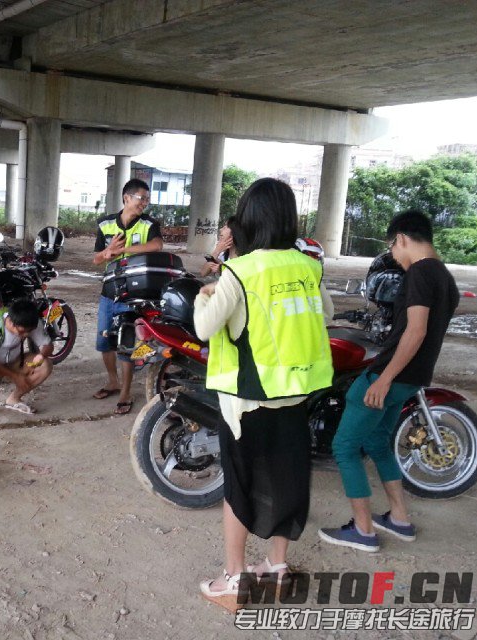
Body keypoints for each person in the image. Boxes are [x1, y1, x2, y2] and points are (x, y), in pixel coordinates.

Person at [193, 178, 334, 612]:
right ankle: (276, 570)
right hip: (295, 394)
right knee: (286, 479)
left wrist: (205, 295)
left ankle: (234, 580)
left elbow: (203, 328)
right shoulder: (308, 266)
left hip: (248, 399)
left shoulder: (241, 271)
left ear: (250, 220)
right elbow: (324, 314)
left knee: (241, 486)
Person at [319, 210, 459, 552]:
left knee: (345, 447)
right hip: (414, 378)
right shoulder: (445, 277)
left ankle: (363, 530)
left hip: (392, 376)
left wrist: (384, 379)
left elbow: (416, 330)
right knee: (379, 443)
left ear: (402, 240)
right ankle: (398, 517)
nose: (394, 255)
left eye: (392, 247)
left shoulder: (420, 274)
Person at [91, 178, 163, 415]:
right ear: (127, 198)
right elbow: (96, 259)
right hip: (108, 291)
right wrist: (108, 251)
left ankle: (126, 391)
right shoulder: (105, 224)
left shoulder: (148, 224)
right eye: (142, 198)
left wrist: (123, 250)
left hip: (132, 293)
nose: (145, 202)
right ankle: (113, 381)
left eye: (147, 199)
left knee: (126, 342)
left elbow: (156, 246)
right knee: (105, 342)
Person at [0, 299, 54, 415]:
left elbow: (48, 345)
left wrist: (42, 355)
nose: (26, 335)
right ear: (11, 322)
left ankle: (14, 399)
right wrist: (14, 376)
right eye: (22, 332)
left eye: (29, 332)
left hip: (14, 361)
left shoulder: (31, 323)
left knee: (46, 365)